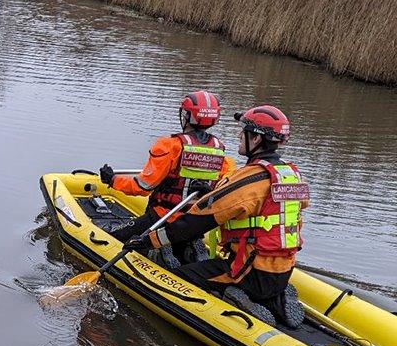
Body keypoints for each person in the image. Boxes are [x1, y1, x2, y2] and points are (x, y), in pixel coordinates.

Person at [125, 105, 308, 328]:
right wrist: (212, 191)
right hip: (281, 271)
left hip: (246, 271)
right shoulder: (291, 175)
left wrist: (148, 240)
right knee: (242, 270)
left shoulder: (251, 178)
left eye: (245, 132)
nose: (240, 136)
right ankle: (276, 299)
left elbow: (194, 224)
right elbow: (261, 207)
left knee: (177, 277)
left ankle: (235, 299)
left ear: (257, 139)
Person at [100, 91, 235, 266]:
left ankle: (160, 251)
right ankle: (185, 247)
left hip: (163, 216)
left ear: (186, 116)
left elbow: (143, 186)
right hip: (192, 221)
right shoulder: (220, 151)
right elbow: (225, 184)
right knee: (183, 238)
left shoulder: (170, 146)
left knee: (114, 236)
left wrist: (112, 180)